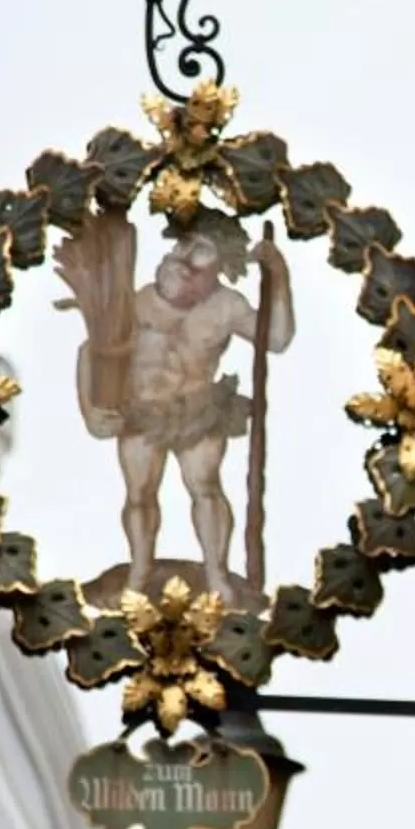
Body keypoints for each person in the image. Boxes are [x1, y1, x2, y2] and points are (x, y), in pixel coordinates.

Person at [77, 217, 291, 596]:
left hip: (198, 410)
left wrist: (279, 274)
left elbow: (275, 338)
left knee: (205, 486)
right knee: (140, 493)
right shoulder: (139, 301)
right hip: (142, 411)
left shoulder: (227, 306)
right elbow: (91, 351)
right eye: (183, 245)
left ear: (222, 265)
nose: (184, 257)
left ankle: (216, 575)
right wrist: (90, 408)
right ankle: (139, 573)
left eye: (201, 250)